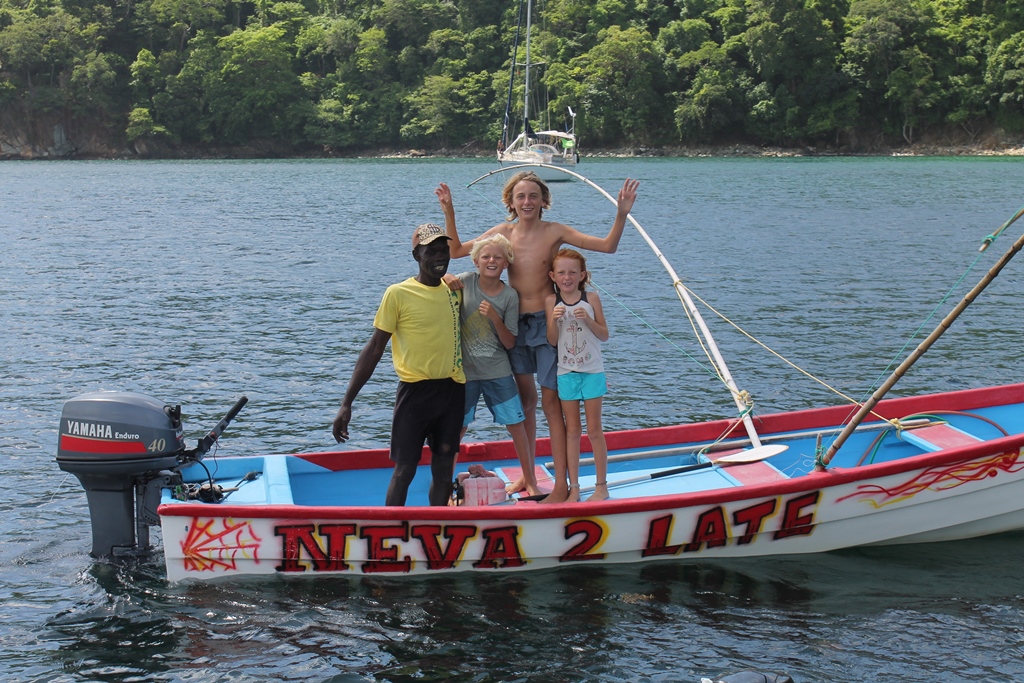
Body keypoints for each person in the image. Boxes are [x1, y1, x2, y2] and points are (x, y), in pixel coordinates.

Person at [438, 172, 638, 503]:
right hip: (514, 324)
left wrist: (621, 214)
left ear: (544, 200)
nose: (527, 202)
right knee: (526, 403)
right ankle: (529, 478)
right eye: (521, 196)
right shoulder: (502, 233)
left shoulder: (555, 231)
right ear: (511, 201)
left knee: (550, 404)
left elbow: (607, 246)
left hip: (548, 324)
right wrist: (449, 210)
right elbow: (458, 251)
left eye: (533, 196)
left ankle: (561, 485)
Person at [332, 222, 465, 506]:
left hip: (452, 390)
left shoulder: (455, 290)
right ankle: (391, 535)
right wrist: (347, 402)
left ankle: (438, 534)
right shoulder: (398, 294)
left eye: (444, 251)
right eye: (432, 252)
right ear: (417, 255)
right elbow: (374, 349)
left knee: (443, 471)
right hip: (415, 394)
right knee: (405, 470)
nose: (440, 257)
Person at [455, 234, 542, 497]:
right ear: (476, 261)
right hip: (466, 374)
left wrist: (495, 318)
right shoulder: (466, 281)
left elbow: (510, 342)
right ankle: (443, 483)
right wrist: (446, 279)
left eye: (498, 257)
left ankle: (530, 480)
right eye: (486, 257)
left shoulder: (509, 296)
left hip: (498, 372)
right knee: (456, 429)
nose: (491, 261)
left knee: (517, 426)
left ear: (506, 263)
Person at [545, 249, 609, 503]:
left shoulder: (591, 298)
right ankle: (574, 488)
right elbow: (552, 340)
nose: (567, 277)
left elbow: (604, 334)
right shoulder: (551, 301)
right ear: (553, 275)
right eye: (561, 272)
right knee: (572, 431)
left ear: (582, 275)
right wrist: (553, 320)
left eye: (572, 272)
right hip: (566, 373)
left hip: (592, 371)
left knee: (594, 430)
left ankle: (601, 486)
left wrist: (589, 320)